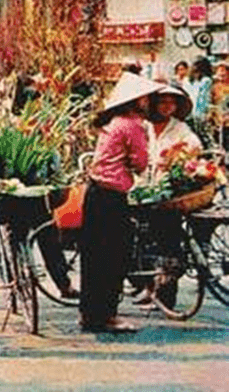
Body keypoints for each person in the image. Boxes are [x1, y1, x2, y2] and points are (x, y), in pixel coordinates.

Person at [80, 72, 164, 333]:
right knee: (113, 258)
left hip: (94, 193)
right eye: (146, 98)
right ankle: (107, 316)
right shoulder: (132, 125)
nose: (149, 102)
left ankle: (90, 314)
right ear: (136, 101)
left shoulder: (113, 122)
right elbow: (140, 163)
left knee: (93, 258)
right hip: (111, 197)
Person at [131, 85, 202, 308]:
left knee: (167, 241)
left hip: (166, 191)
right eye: (162, 102)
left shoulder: (180, 128)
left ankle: (165, 294)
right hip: (142, 187)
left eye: (171, 103)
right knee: (141, 240)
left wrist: (176, 155)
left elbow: (195, 145)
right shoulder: (144, 126)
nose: (167, 107)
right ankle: (148, 286)